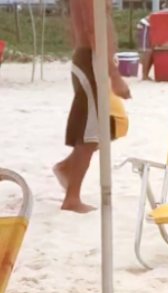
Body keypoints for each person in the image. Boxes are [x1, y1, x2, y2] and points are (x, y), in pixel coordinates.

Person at [52, 0, 131, 213]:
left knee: (109, 126)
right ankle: (72, 197)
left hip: (91, 59)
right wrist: (114, 76)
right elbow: (93, 29)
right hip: (91, 60)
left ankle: (68, 168)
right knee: (91, 133)